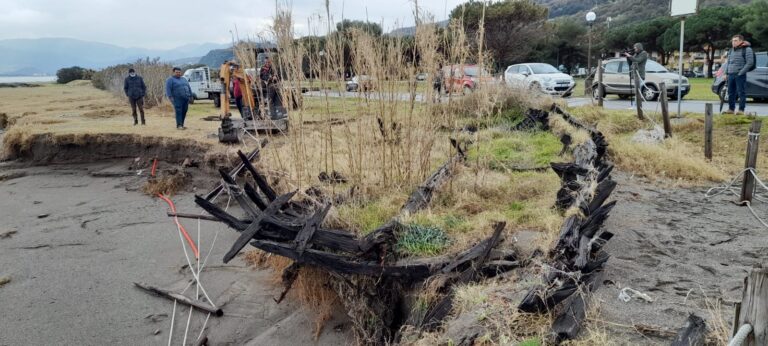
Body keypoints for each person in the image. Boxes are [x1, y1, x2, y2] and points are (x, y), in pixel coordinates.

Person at [723, 35, 755, 115]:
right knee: (730, 93)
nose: (733, 42)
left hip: (740, 75)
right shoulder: (731, 50)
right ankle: (731, 109)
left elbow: (750, 63)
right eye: (733, 41)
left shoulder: (747, 49)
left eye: (736, 40)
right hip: (730, 74)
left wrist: (741, 73)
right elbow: (728, 63)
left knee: (741, 93)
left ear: (741, 41)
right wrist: (726, 73)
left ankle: (741, 110)